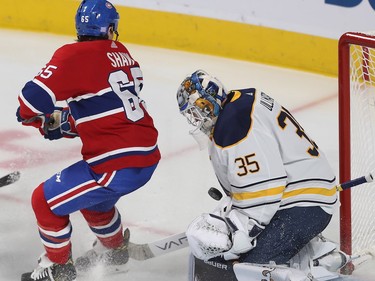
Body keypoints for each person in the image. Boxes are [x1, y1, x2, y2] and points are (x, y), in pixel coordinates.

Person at [16, 1, 161, 280]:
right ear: (109, 29)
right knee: (95, 202)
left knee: (43, 202)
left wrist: (32, 116)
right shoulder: (122, 53)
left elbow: (30, 101)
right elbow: (106, 104)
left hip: (114, 163)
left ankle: (59, 268)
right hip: (146, 155)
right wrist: (67, 122)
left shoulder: (73, 55)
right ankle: (116, 251)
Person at [176, 70, 345, 281]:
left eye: (200, 110)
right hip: (303, 193)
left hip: (304, 205)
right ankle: (316, 254)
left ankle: (313, 263)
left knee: (247, 268)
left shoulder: (234, 125)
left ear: (212, 100)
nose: (197, 119)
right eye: (191, 114)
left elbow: (265, 192)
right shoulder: (240, 100)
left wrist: (237, 236)